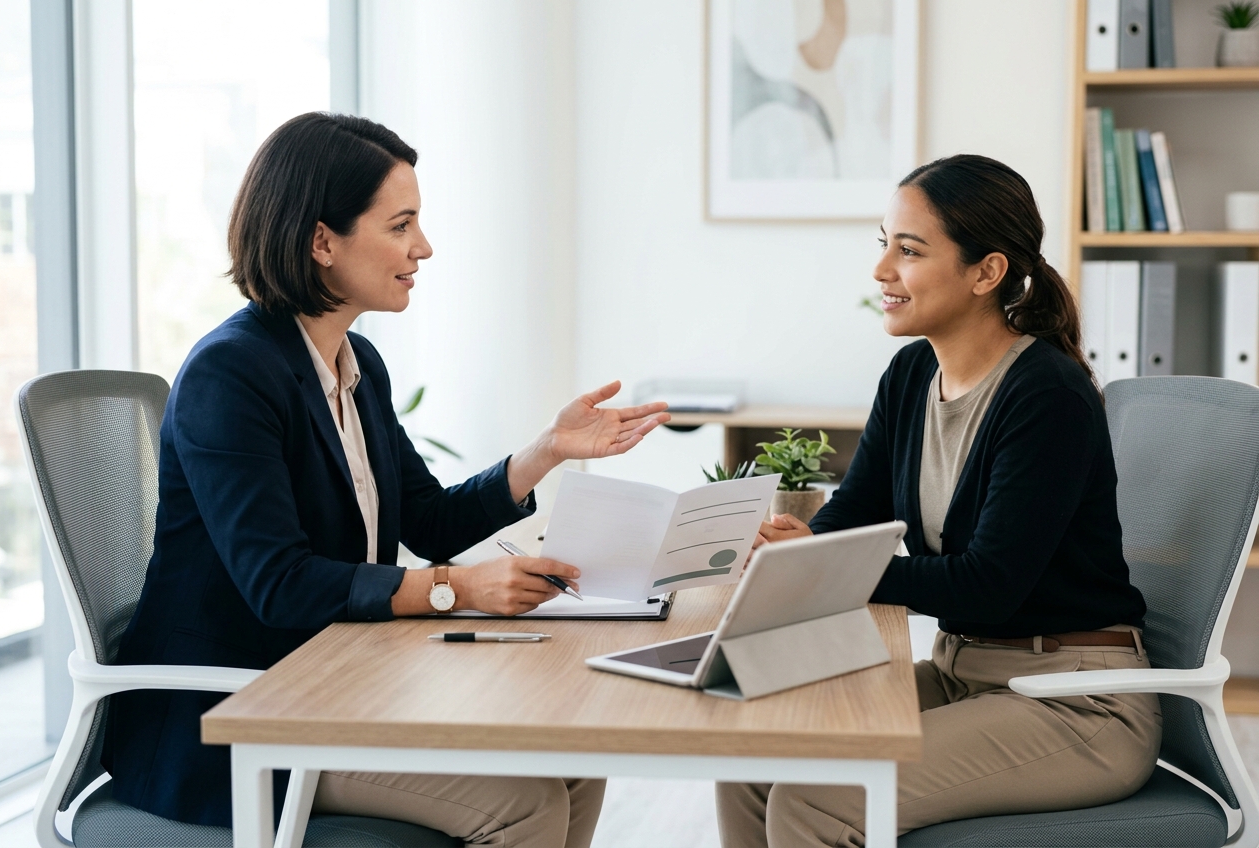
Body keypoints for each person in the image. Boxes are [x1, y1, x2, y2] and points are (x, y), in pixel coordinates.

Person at [102, 112, 669, 848]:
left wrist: (548, 450)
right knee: (523, 803)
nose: (423, 248)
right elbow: (279, 583)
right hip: (237, 718)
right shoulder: (231, 374)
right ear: (321, 241)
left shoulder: (354, 367)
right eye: (401, 225)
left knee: (573, 761)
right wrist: (456, 590)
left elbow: (425, 519)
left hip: (336, 684)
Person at [716, 154, 1159, 847]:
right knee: (755, 751)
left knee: (820, 800)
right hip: (963, 676)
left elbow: (988, 587)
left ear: (987, 272)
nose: (881, 270)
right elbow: (851, 514)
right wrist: (787, 549)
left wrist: (822, 564)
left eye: (910, 249)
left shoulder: (1046, 395)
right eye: (883, 243)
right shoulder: (912, 371)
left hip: (1076, 703)